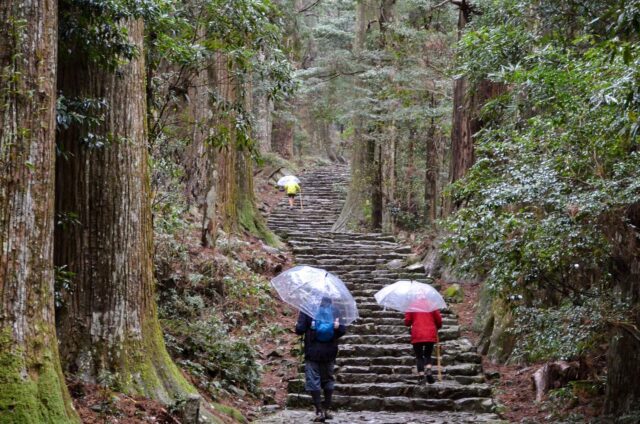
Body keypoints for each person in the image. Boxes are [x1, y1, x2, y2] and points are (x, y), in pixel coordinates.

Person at [295, 297, 346, 422]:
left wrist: (297, 325)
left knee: (313, 379)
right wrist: (336, 328)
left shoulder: (307, 309)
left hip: (312, 351)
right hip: (329, 351)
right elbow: (342, 330)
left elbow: (300, 330)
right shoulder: (335, 310)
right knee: (328, 379)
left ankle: (319, 410)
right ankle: (327, 408)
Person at [404, 307, 442, 384]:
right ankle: (428, 370)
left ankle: (421, 376)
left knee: (419, 356)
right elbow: (438, 320)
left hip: (417, 333)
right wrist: (438, 326)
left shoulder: (411, 306)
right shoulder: (432, 305)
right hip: (429, 333)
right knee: (428, 355)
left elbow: (407, 322)